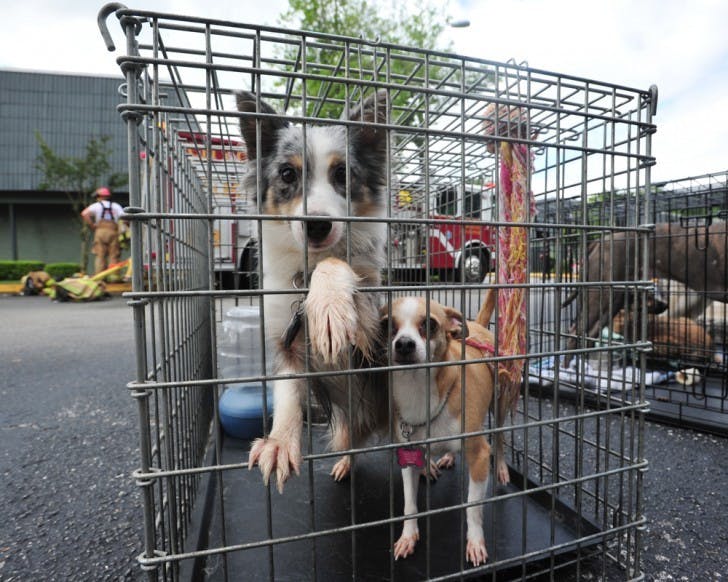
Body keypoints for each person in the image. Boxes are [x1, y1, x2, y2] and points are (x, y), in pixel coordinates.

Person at [81, 187, 126, 275]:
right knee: (114, 255)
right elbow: (124, 218)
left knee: (100, 255)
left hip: (100, 231)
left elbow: (84, 214)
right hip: (113, 231)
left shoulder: (96, 205)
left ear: (99, 196)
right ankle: (114, 276)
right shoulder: (116, 206)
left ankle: (100, 277)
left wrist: (92, 225)